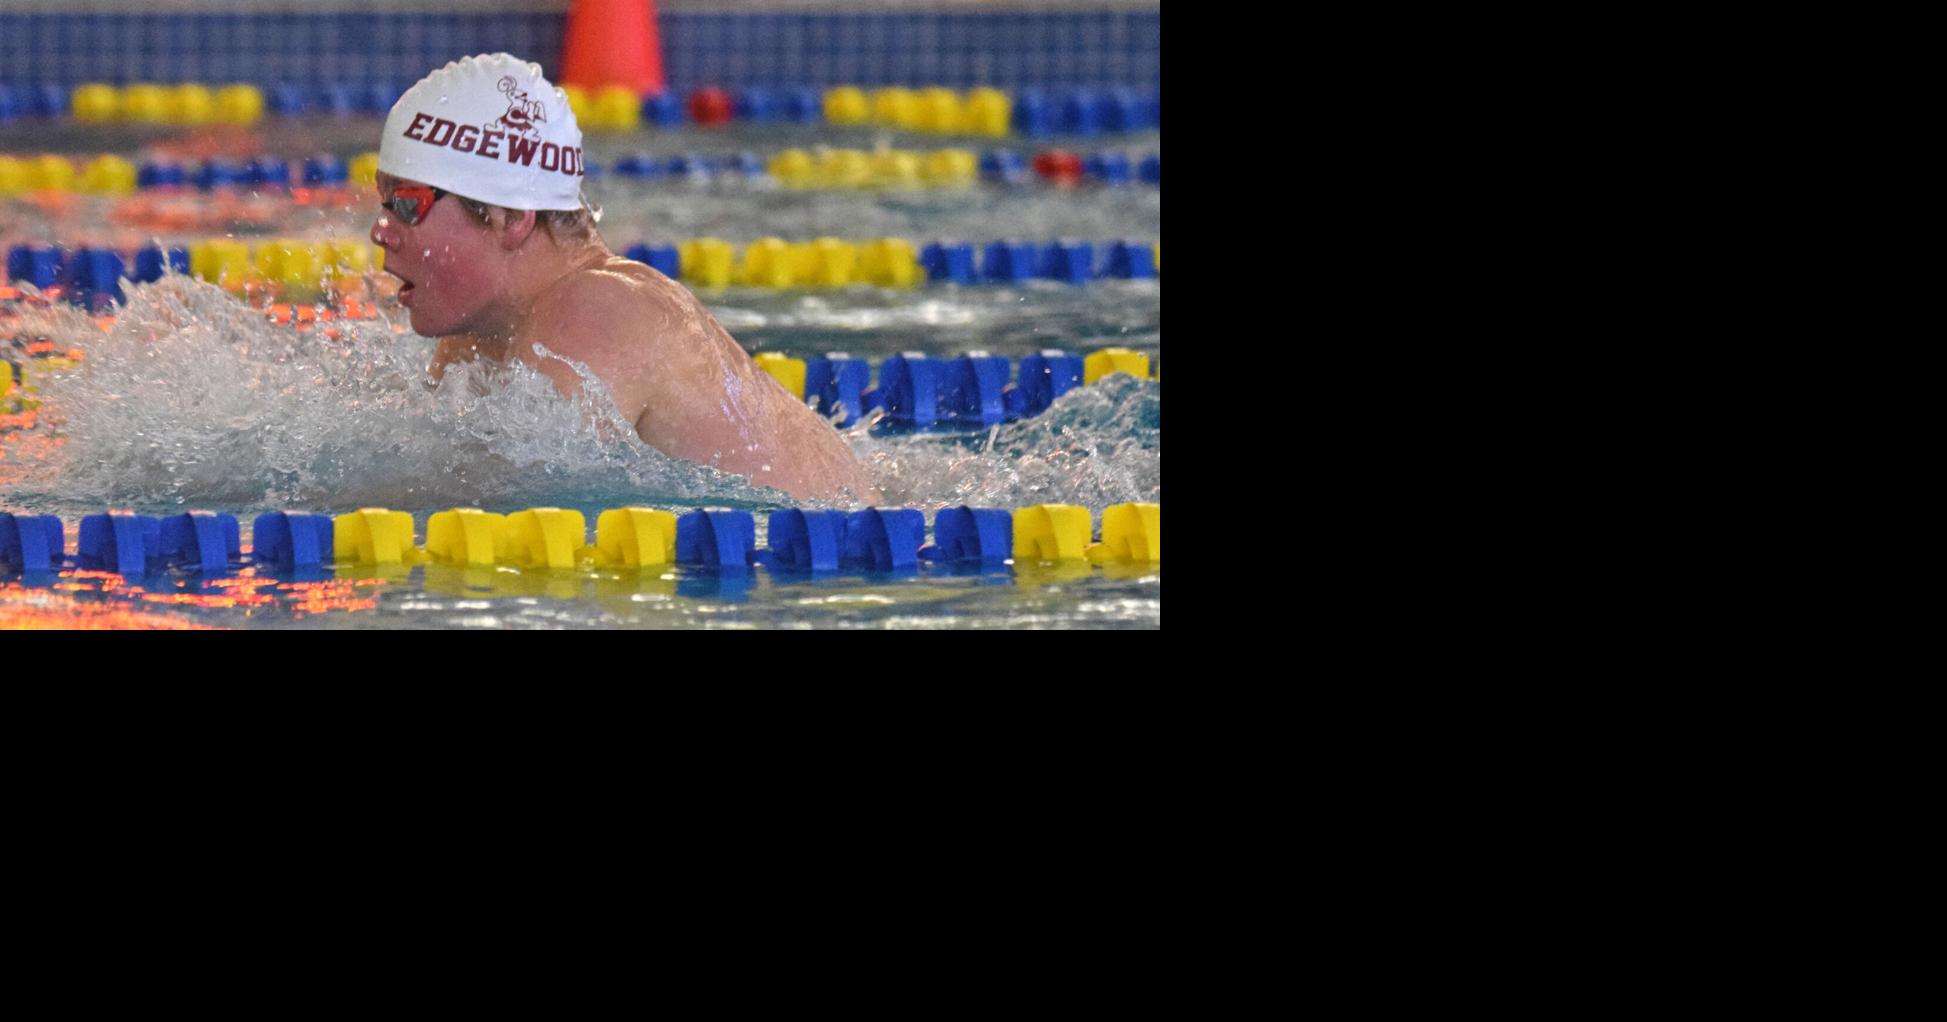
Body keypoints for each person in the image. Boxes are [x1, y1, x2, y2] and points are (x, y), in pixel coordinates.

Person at [368, 53, 879, 503]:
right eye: (385, 204)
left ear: (512, 216)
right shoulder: (477, 338)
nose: (381, 230)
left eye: (408, 205)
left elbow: (508, 512)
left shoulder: (597, 310)